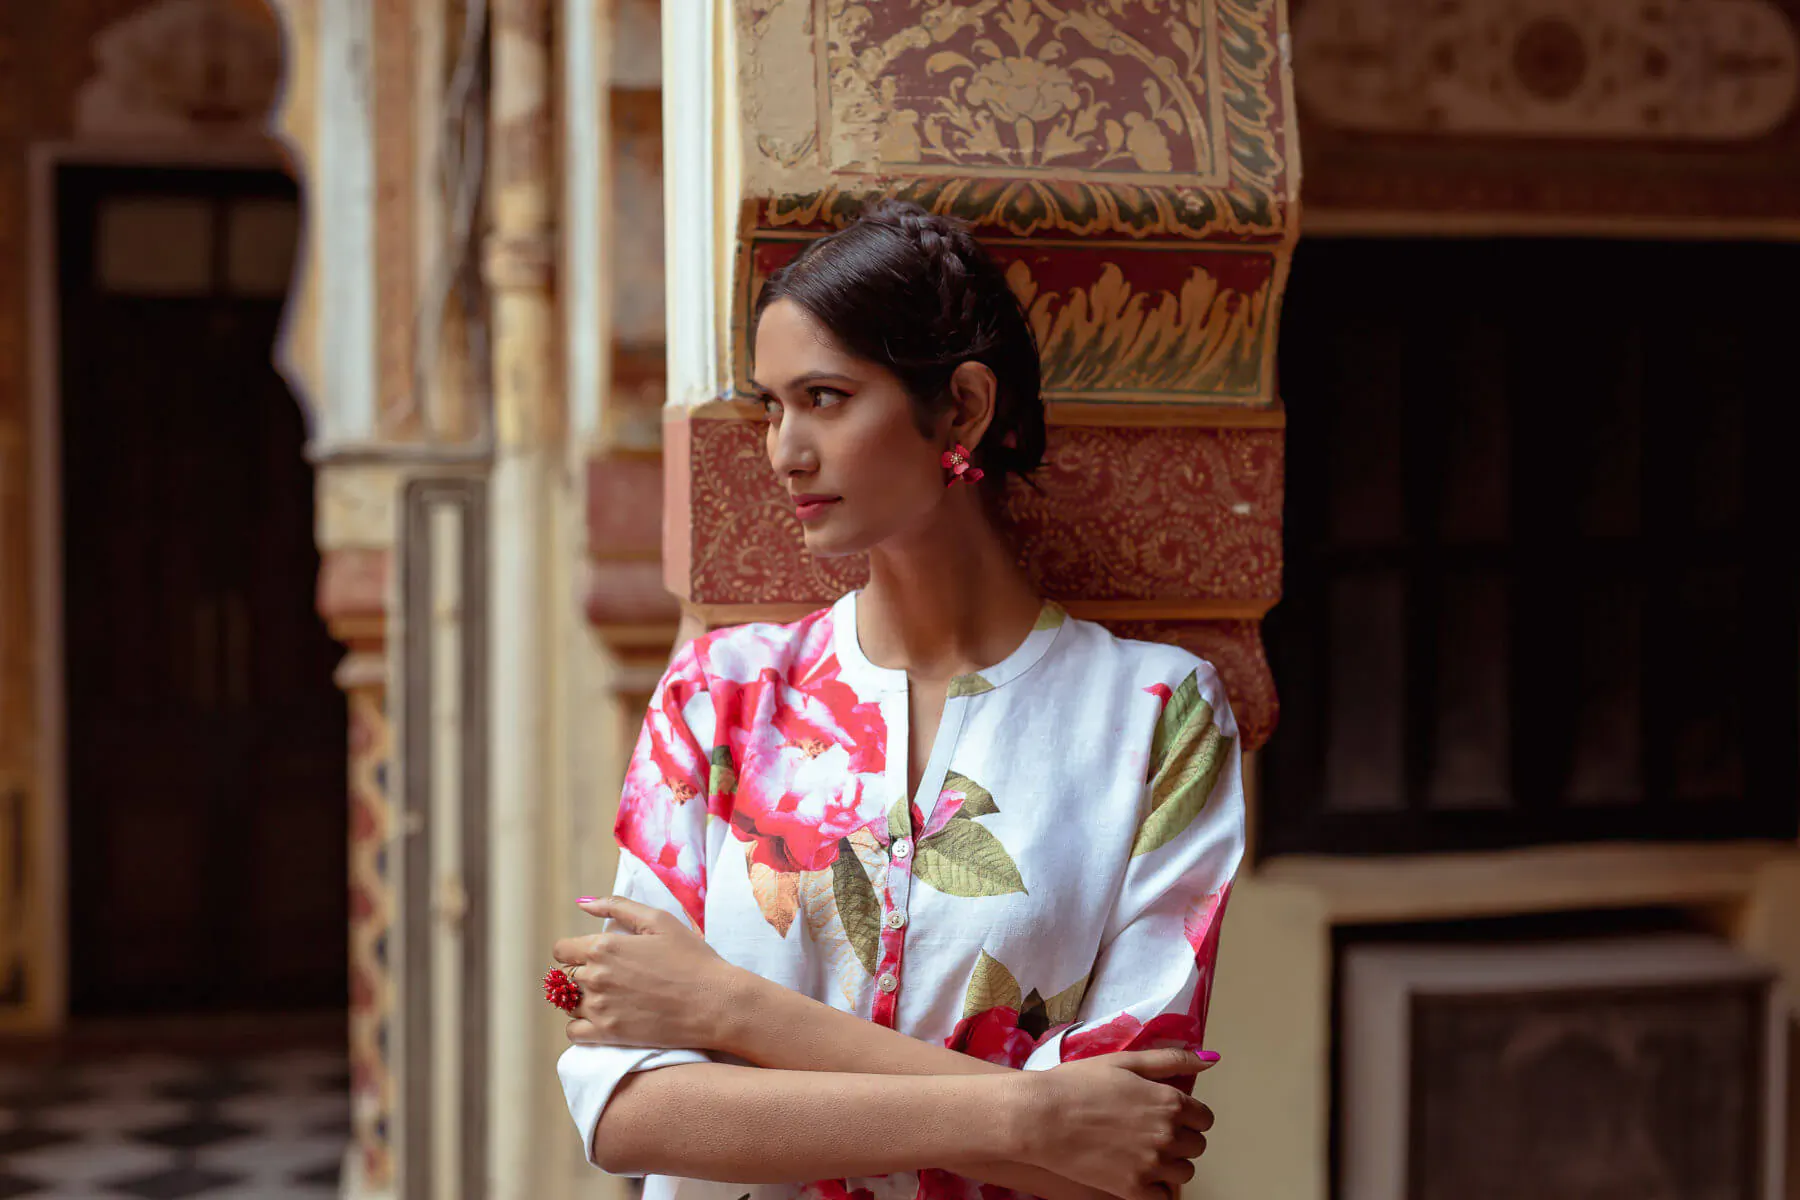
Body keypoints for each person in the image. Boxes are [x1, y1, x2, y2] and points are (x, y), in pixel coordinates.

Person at [550, 199, 1246, 1200]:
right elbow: (628, 1114)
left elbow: (1121, 1158)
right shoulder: (723, 695)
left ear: (961, 408)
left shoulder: (1156, 716)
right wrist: (1031, 1111)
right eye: (772, 407)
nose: (784, 450)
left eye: (825, 398)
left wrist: (728, 1012)